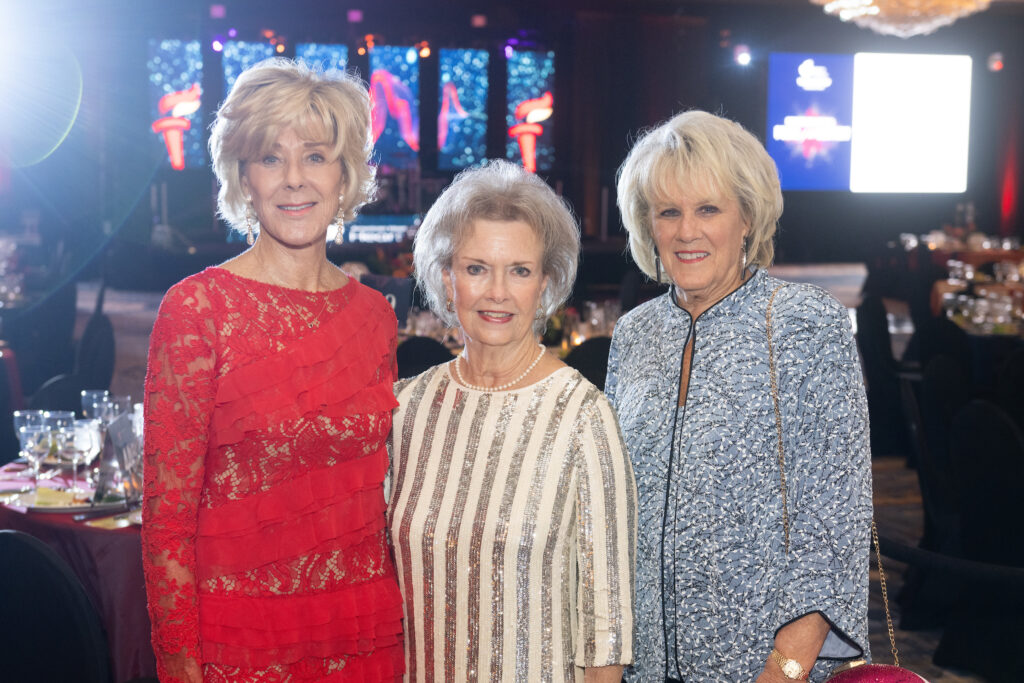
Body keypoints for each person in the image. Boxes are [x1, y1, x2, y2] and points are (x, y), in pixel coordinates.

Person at [141, 59, 404, 682]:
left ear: (345, 176)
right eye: (270, 158)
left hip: (362, 635)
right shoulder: (197, 310)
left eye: (315, 156)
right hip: (241, 645)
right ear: (243, 177)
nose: (294, 180)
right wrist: (181, 666)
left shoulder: (375, 317)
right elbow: (166, 524)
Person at [607, 110, 872, 682]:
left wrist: (785, 670)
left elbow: (832, 527)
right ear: (646, 224)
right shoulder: (634, 334)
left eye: (708, 209)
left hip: (762, 670)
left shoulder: (806, 324)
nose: (686, 231)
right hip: (643, 667)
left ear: (748, 218)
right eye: (668, 211)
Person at [388, 160, 636, 682]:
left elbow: (607, 630)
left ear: (545, 285)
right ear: (446, 278)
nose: (496, 292)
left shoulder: (583, 415)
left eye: (519, 270)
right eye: (476, 268)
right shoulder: (405, 409)